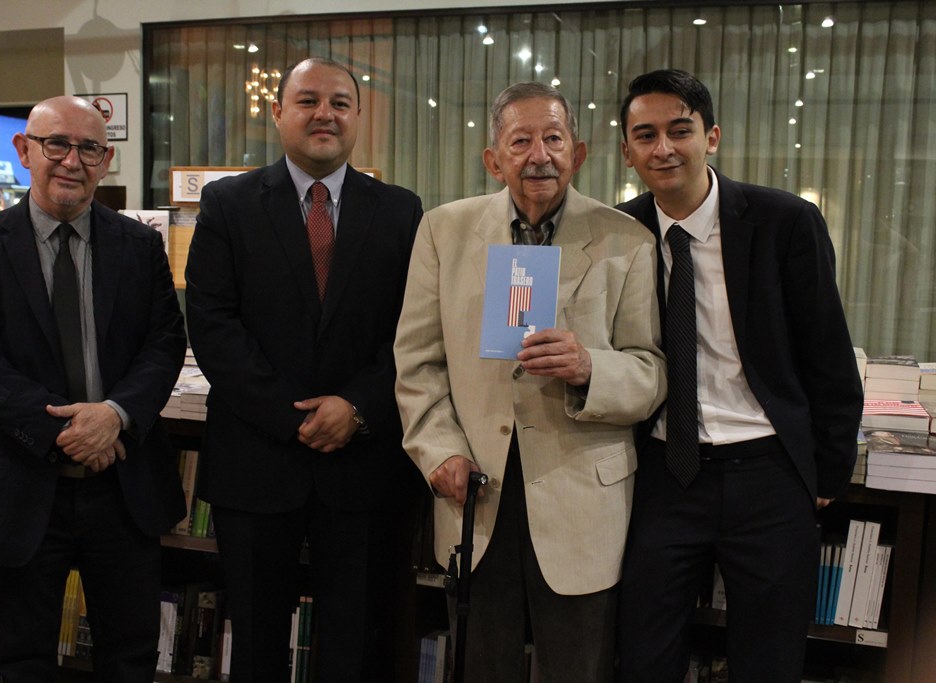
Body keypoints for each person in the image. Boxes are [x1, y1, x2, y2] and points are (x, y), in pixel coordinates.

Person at [393, 81, 667, 683]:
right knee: (478, 665)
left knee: (576, 668)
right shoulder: (444, 232)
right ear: (494, 159)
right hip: (476, 494)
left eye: (553, 138)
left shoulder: (628, 241)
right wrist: (438, 451)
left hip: (581, 501)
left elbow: (651, 372)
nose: (538, 154)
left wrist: (591, 367)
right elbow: (417, 364)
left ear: (580, 152)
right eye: (520, 141)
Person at [615, 69, 864, 682]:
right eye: (645, 135)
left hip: (768, 472)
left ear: (712, 136)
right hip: (662, 474)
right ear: (627, 150)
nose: (663, 148)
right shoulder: (617, 233)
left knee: (768, 657)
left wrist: (825, 471)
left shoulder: (784, 222)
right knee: (643, 654)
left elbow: (827, 354)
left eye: (680, 130)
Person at [184, 57, 424, 683]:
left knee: (356, 641)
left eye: (341, 102)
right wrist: (292, 417)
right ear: (277, 112)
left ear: (357, 117)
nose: (326, 113)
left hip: (364, 462)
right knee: (257, 641)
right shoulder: (227, 204)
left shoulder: (401, 212)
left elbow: (416, 330)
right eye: (309, 100)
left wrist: (358, 406)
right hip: (258, 459)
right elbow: (212, 324)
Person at [0, 95, 187, 683]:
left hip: (123, 489)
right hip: (23, 486)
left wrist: (116, 415)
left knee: (130, 657)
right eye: (56, 144)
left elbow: (164, 344)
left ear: (107, 159)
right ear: (25, 151)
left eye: (88, 148)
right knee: (17, 661)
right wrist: (70, 430)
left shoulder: (140, 246)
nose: (71, 160)